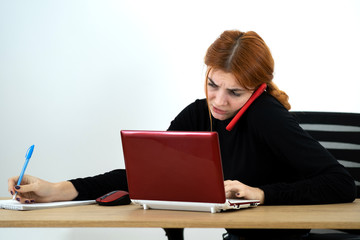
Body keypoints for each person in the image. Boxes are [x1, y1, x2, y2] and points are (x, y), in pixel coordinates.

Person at [8, 30, 356, 240]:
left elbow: (340, 183)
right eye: (213, 84)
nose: (218, 101)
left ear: (257, 89)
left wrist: (261, 193)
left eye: (235, 93)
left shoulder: (268, 117)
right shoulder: (197, 113)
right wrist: (57, 190)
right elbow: (148, 179)